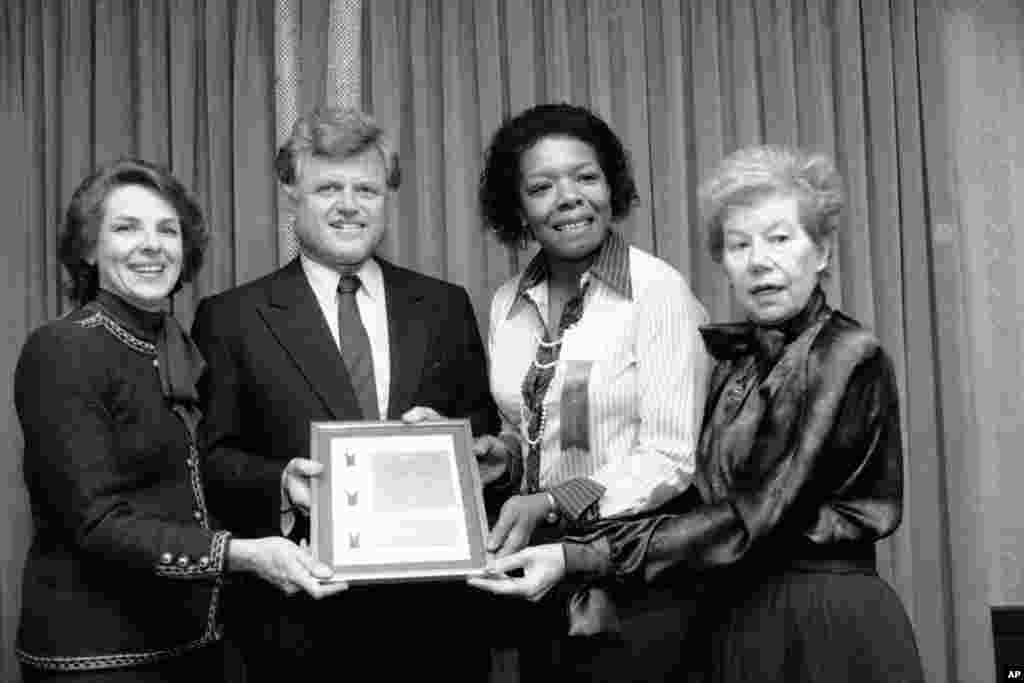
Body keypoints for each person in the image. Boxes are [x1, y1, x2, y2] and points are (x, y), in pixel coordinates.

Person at [470, 144, 926, 683]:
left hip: (821, 620)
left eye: (780, 239)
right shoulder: (737, 362)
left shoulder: (845, 356)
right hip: (731, 612)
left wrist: (578, 556)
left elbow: (746, 517)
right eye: (738, 245)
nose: (759, 261)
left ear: (822, 251)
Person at [190, 107, 500, 682]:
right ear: (290, 196)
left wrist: (460, 443)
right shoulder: (232, 318)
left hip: (437, 627)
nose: (350, 205)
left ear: (387, 199)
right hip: (300, 629)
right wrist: (282, 481)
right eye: (328, 187)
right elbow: (209, 460)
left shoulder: (445, 306)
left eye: (367, 189)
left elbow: (480, 428)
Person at [14, 158, 345, 683]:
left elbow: (192, 477)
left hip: (192, 646)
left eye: (168, 230)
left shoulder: (173, 344)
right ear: (87, 248)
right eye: (126, 227)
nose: (153, 244)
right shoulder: (62, 348)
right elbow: (95, 523)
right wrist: (242, 554)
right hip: (98, 657)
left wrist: (281, 480)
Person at [472, 102, 710, 682]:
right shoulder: (507, 302)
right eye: (542, 186)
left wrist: (550, 501)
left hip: (636, 574)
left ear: (612, 187)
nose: (569, 197)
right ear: (518, 208)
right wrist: (502, 455)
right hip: (538, 567)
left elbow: (670, 459)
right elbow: (540, 426)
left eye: (586, 177)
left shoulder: (658, 292)